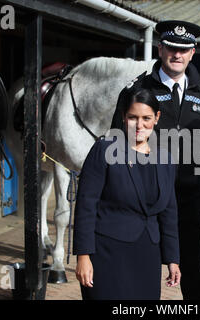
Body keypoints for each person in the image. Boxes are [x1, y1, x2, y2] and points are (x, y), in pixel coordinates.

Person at [111, 20, 200, 300]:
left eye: (184, 50)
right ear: (160, 48)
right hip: (146, 197)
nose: (177, 55)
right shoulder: (137, 90)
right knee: (141, 266)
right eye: (171, 48)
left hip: (189, 200)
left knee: (193, 268)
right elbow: (117, 147)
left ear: (193, 52)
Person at [73, 88, 181, 300]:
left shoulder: (166, 160)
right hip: (106, 255)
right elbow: (86, 205)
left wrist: (172, 259)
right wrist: (83, 256)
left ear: (157, 118)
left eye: (146, 118)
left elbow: (169, 213)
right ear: (123, 117)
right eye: (133, 117)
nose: (139, 125)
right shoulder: (104, 150)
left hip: (147, 254)